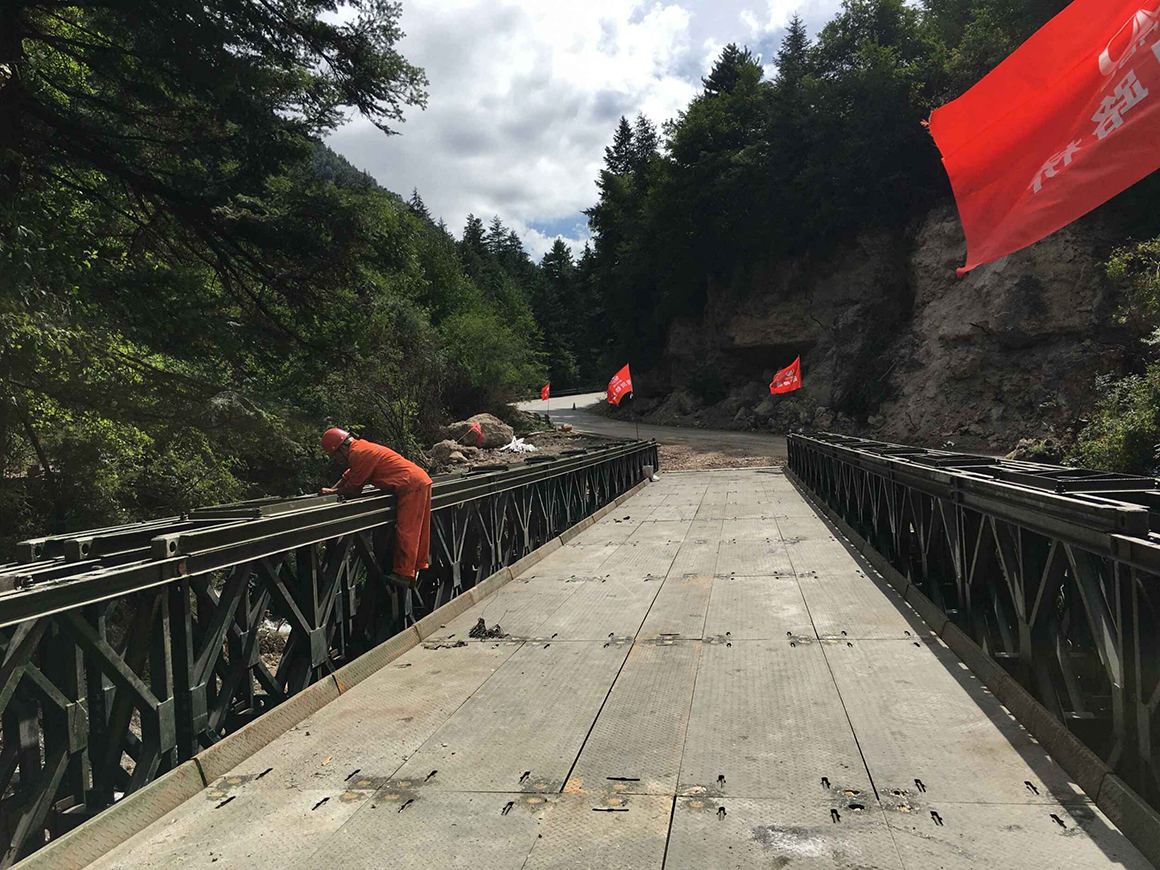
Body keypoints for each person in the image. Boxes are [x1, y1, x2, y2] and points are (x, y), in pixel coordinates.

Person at [320, 428, 432, 588]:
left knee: (408, 530)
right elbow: (349, 475)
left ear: (341, 448)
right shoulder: (361, 448)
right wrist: (332, 490)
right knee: (418, 529)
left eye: (336, 455)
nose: (337, 460)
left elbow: (353, 489)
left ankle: (405, 574)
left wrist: (335, 491)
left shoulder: (358, 454)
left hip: (410, 485)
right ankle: (417, 566)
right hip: (417, 481)